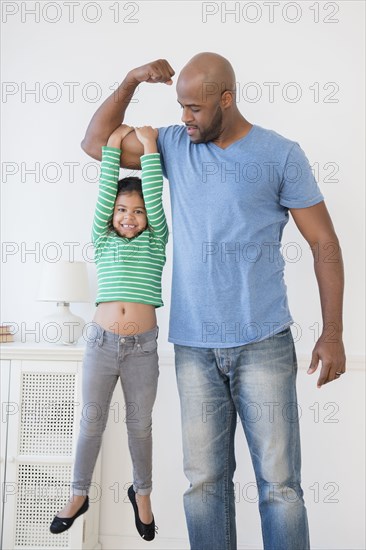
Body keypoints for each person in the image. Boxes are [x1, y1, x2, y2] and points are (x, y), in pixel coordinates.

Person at [80, 53, 346, 550]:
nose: (184, 118)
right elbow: (96, 143)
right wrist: (133, 80)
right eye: (180, 107)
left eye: (195, 108)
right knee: (204, 486)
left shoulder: (280, 154)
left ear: (226, 99)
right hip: (194, 348)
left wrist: (333, 334)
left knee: (281, 487)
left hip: (264, 340)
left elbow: (325, 244)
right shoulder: (176, 146)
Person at [50, 124, 169, 542]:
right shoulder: (102, 239)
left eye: (136, 211)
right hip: (101, 344)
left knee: (140, 427)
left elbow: (153, 196)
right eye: (122, 210)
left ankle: (143, 494)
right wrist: (113, 147)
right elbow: (105, 196)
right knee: (91, 423)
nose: (129, 216)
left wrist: (151, 147)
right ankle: (78, 494)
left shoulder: (157, 241)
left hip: (142, 349)